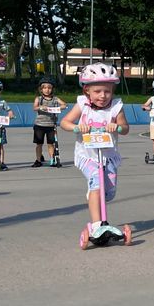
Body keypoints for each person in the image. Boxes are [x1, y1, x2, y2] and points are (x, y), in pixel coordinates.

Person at [59, 63, 130, 241]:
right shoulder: (83, 105)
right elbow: (64, 122)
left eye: (107, 91)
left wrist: (117, 127)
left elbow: (125, 127)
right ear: (87, 91)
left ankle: (94, 196)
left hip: (109, 156)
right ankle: (98, 224)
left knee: (109, 192)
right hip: (88, 156)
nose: (103, 96)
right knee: (97, 184)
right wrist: (77, 128)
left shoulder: (116, 107)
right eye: (97, 91)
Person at [31, 75, 67, 167]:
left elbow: (64, 105)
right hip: (39, 124)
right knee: (39, 143)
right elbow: (34, 108)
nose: (47, 90)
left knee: (51, 144)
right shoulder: (39, 99)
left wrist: (58, 108)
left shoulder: (55, 99)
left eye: (49, 88)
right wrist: (41, 107)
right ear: (41, 89)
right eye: (45, 88)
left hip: (51, 125)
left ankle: (52, 159)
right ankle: (38, 160)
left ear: (52, 89)